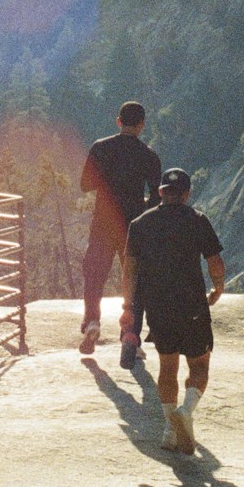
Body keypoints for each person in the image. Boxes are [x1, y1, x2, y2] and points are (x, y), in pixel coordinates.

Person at [123, 168, 224, 457]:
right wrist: (218, 286)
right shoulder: (197, 220)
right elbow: (214, 260)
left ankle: (170, 429)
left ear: (160, 192)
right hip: (192, 304)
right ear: (187, 193)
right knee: (200, 365)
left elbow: (129, 271)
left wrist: (127, 307)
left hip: (158, 305)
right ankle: (186, 410)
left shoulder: (140, 224)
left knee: (168, 367)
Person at [78, 101, 161, 363]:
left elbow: (84, 185)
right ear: (141, 125)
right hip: (133, 227)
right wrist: (142, 207)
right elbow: (158, 197)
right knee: (134, 282)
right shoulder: (148, 155)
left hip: (102, 222)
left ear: (118, 121)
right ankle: (130, 334)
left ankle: (92, 321)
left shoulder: (100, 147)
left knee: (95, 274)